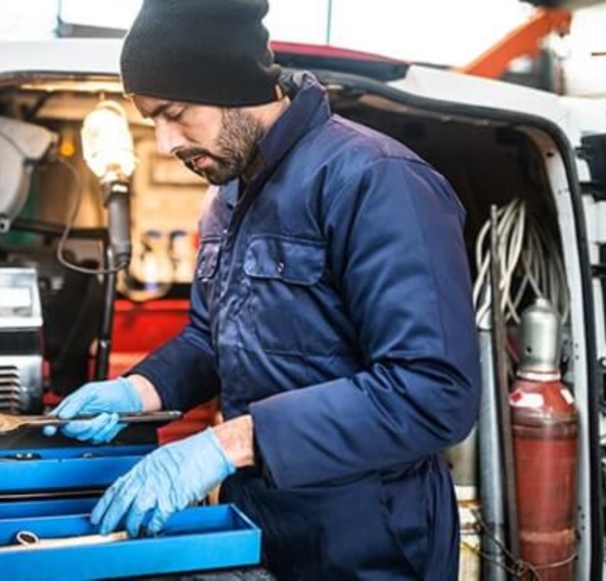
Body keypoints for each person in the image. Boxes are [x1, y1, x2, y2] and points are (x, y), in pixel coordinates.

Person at [44, 0, 481, 578]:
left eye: (175, 112)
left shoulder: (374, 180)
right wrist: (141, 390)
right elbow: (211, 338)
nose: (166, 140)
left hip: (371, 539)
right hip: (259, 522)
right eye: (152, 119)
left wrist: (225, 446)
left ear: (229, 81)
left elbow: (433, 391)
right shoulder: (225, 197)